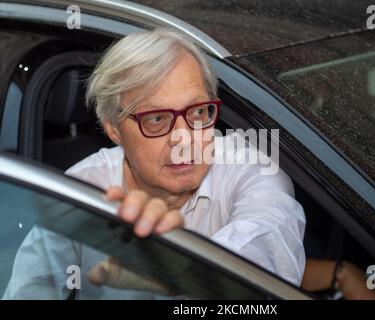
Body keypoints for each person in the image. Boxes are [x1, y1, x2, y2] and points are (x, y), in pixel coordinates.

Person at [3, 28, 306, 299]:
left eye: (198, 112)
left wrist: (183, 273)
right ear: (114, 128)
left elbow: (270, 246)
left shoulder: (251, 166)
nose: (184, 139)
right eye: (157, 119)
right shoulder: (82, 192)